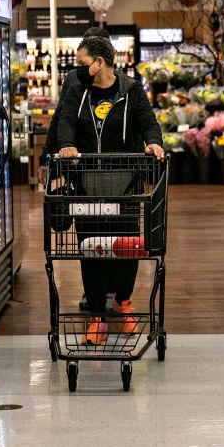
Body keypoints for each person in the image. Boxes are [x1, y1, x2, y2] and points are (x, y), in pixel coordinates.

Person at [57, 36, 164, 345]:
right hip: (87, 185)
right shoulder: (77, 90)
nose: (77, 69)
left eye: (82, 63)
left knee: (128, 245)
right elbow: (66, 121)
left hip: (125, 184)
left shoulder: (130, 90)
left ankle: (123, 300)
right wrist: (66, 145)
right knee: (90, 247)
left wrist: (153, 141)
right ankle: (97, 317)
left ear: (99, 63)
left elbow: (148, 122)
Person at [39, 27, 116, 312]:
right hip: (86, 166)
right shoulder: (76, 79)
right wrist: (52, 153)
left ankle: (99, 290)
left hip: (96, 168)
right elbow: (63, 117)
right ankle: (98, 290)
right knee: (95, 228)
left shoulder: (122, 84)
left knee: (96, 229)